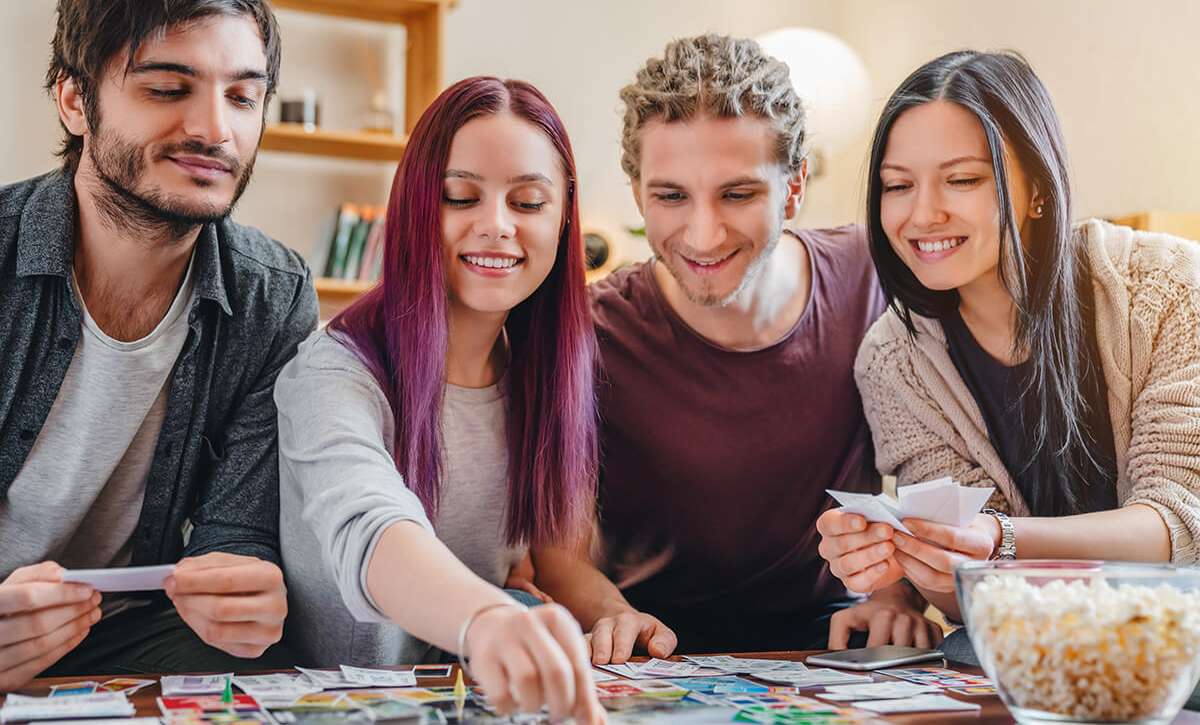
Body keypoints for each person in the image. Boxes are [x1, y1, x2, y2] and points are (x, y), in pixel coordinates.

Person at [533, 34, 943, 657]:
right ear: (638, 190)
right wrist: (613, 615)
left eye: (738, 193)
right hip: (655, 654)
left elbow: (934, 470)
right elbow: (556, 551)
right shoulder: (592, 331)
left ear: (795, 186)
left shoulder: (872, 277)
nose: (702, 234)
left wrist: (896, 593)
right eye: (671, 196)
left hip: (836, 647)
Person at [276, 76, 624, 723]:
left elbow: (555, 560)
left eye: (527, 202)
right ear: (414, 209)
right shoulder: (331, 371)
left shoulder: (547, 377)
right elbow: (373, 528)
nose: (495, 227)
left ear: (564, 216)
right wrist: (489, 617)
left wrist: (613, 615)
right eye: (459, 197)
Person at [817, 50, 1200, 629]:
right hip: (1035, 656)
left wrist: (997, 538)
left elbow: (1182, 526)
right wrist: (912, 557)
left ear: (1038, 188)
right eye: (898, 186)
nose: (922, 214)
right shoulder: (895, 360)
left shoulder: (1167, 287)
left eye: (963, 179)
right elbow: (968, 597)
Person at [0, 0, 317, 689]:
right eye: (168, 89)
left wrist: (242, 594)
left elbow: (237, 533)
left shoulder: (274, 294)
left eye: (243, 96)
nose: (214, 128)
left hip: (134, 636)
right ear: (75, 100)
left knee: (283, 645)